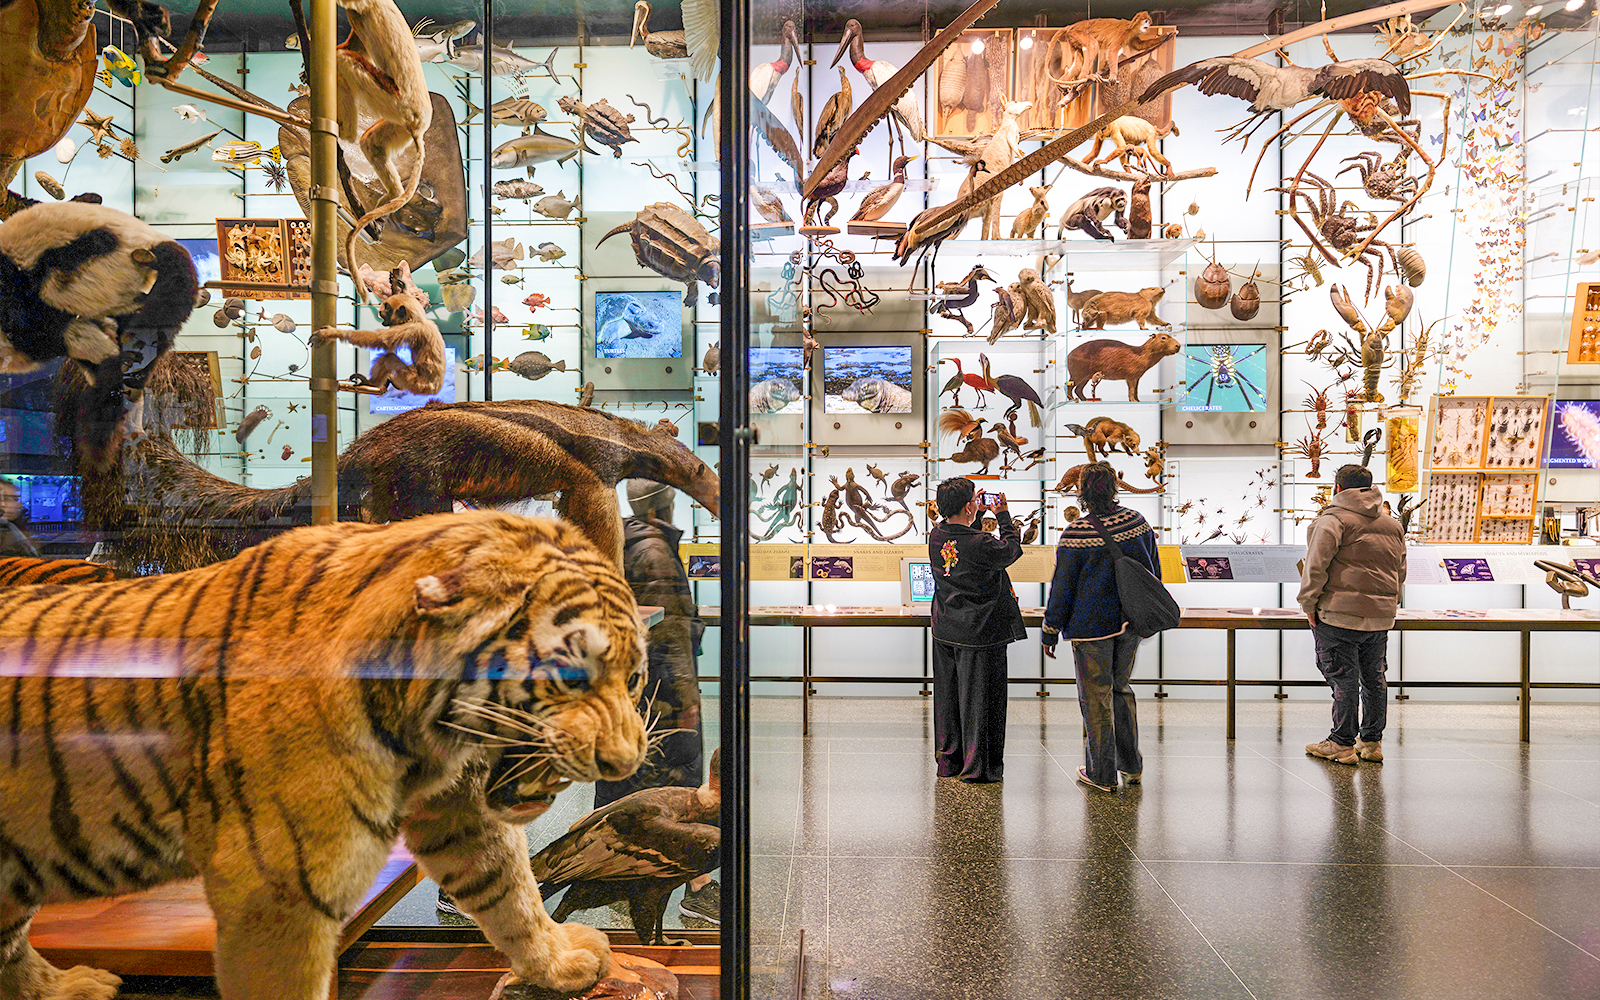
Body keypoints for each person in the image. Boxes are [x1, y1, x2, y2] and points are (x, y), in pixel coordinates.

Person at [1041, 463, 1159, 793]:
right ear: (1113, 488)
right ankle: (1131, 767)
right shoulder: (1137, 522)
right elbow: (1153, 571)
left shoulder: (1076, 533)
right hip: (1130, 623)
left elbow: (1062, 588)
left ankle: (1101, 774)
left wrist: (1050, 630)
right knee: (1120, 690)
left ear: (1083, 492)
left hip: (1090, 629)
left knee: (1095, 699)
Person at [1298, 464, 1406, 765]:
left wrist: (1309, 604)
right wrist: (1389, 604)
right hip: (1379, 616)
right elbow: (1400, 570)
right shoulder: (1392, 525)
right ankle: (1371, 742)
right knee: (1374, 679)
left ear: (1338, 487)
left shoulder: (1332, 521)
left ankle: (1341, 743)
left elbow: (1315, 567)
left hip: (1339, 614)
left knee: (1342, 678)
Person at [926, 478, 1025, 784]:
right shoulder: (981, 543)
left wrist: (977, 514)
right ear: (968, 506)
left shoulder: (936, 535)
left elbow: (966, 543)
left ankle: (949, 761)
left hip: (946, 628)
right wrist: (1003, 515)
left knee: (948, 699)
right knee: (982, 701)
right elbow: (1011, 550)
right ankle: (978, 766)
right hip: (980, 632)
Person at [0, 477, 40, 558]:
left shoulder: (11, 527)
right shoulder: (6, 530)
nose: (19, 504)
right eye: (14, 499)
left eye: (16, 499)